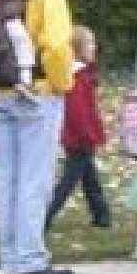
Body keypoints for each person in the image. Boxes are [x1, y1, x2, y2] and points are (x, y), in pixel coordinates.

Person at [0, 0, 76, 274]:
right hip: (36, 91)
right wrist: (61, 83)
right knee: (34, 179)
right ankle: (29, 258)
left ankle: (9, 255)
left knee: (6, 178)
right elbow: (54, 45)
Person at [45, 25, 110, 232]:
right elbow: (79, 112)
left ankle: (101, 214)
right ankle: (46, 214)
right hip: (80, 137)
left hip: (79, 136)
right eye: (89, 44)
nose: (94, 47)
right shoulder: (77, 78)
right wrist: (89, 135)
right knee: (70, 180)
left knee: (88, 176)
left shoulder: (82, 75)